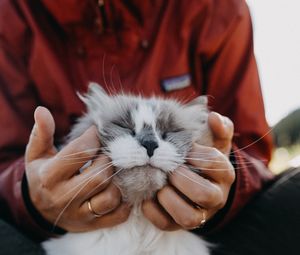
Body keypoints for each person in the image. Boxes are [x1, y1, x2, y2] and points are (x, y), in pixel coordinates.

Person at [0, 0, 299, 254]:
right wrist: (30, 195)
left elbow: (253, 149)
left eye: (165, 134)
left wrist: (225, 183)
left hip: (205, 231)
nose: (148, 144)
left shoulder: (218, 7)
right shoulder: (12, 12)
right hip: (49, 232)